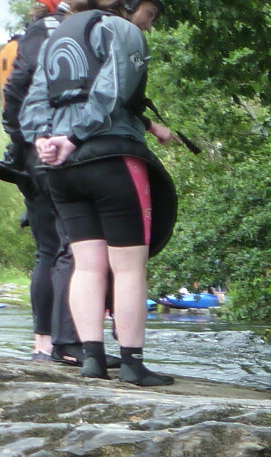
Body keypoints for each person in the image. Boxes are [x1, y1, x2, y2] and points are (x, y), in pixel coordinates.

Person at [21, 0, 180, 386]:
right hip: (112, 159)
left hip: (60, 168)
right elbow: (113, 89)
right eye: (150, 16)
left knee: (88, 265)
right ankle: (132, 364)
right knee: (128, 266)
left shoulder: (60, 34)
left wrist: (45, 139)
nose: (150, 25)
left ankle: (92, 358)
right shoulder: (123, 32)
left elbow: (34, 102)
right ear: (128, 6)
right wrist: (75, 137)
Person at [3, 0, 82, 366]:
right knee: (62, 248)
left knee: (51, 249)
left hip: (32, 152)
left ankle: (47, 344)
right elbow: (18, 88)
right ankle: (54, 344)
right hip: (49, 151)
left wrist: (20, 146)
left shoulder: (36, 31)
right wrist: (27, 141)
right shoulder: (56, 27)